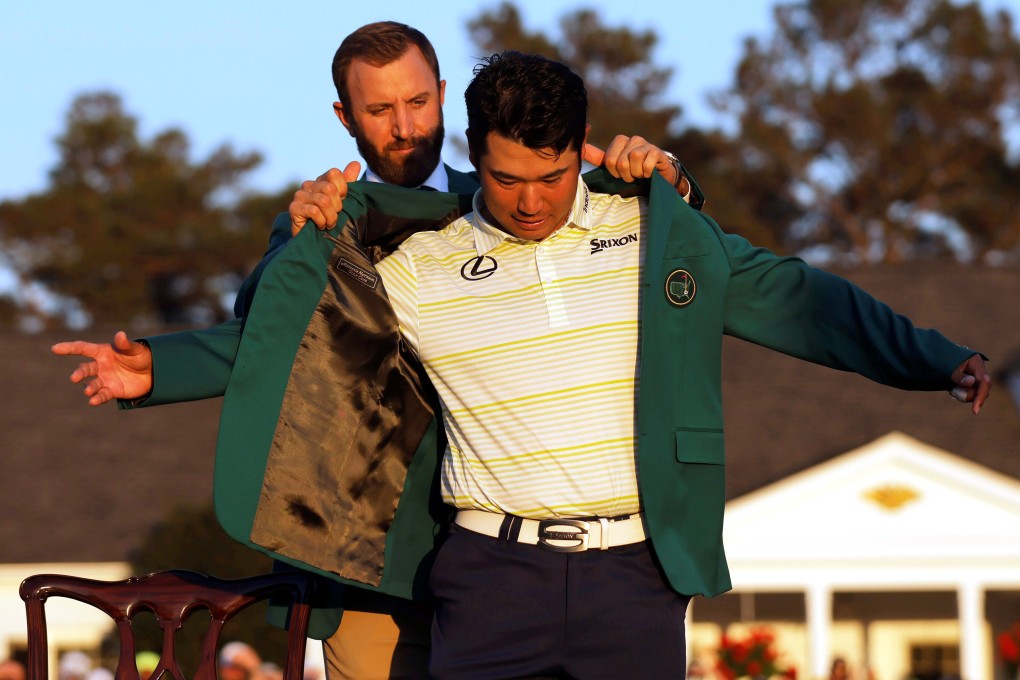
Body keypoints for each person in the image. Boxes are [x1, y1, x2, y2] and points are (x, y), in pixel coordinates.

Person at [58, 49, 989, 678]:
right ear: (474, 155)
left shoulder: (650, 231)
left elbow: (799, 299)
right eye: (508, 179)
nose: (534, 199)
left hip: (635, 574)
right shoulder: (414, 263)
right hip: (490, 575)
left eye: (553, 176)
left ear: (580, 153)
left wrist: (937, 361)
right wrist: (157, 371)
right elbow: (293, 343)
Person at [52, 22, 701, 680]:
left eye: (418, 102)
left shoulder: (512, 199)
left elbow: (652, 265)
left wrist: (671, 178)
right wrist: (161, 367)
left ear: (445, 95)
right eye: (380, 109)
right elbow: (279, 341)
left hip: (505, 562)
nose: (406, 127)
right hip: (369, 556)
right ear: (345, 116)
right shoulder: (329, 219)